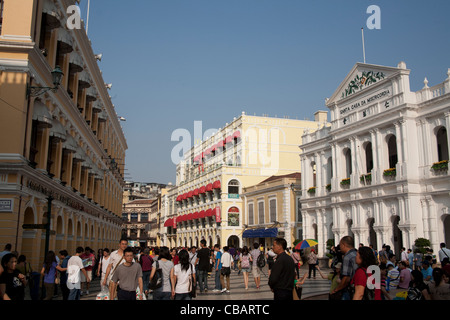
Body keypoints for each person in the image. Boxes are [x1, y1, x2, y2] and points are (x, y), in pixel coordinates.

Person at [330, 236, 357, 300]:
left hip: (349, 289)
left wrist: (336, 289)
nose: (340, 247)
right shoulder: (357, 253)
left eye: (340, 245)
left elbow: (346, 278)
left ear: (344, 245)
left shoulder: (347, 257)